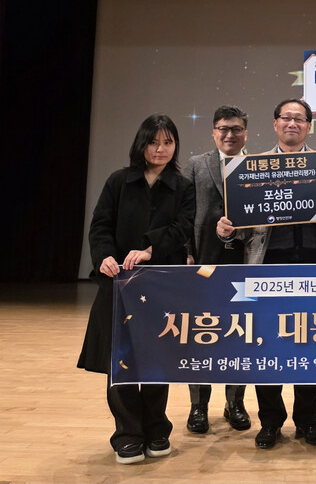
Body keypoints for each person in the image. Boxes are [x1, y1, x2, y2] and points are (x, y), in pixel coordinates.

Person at [217, 98, 316, 450]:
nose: (292, 124)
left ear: (309, 126)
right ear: (275, 124)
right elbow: (241, 228)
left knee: (312, 348)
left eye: (300, 119)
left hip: (315, 267)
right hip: (266, 268)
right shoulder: (252, 168)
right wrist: (227, 231)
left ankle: (307, 420)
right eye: (286, 117)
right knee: (265, 347)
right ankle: (270, 421)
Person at [77, 114, 195, 464]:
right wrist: (104, 256)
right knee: (122, 360)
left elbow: (183, 228)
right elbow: (100, 225)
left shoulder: (182, 185)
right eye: (153, 142)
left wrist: (149, 250)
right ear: (141, 144)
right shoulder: (119, 181)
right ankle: (127, 434)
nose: (160, 149)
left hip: (162, 284)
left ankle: (157, 429)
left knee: (158, 358)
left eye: (168, 142)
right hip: (120, 284)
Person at [183, 105, 251, 434]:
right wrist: (186, 252)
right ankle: (198, 406)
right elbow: (183, 214)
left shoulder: (257, 167)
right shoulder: (196, 165)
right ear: (213, 132)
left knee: (242, 334)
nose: (229, 134)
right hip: (203, 261)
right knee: (201, 334)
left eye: (236, 129)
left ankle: (234, 403)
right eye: (223, 128)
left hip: (245, 263)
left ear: (245, 133)